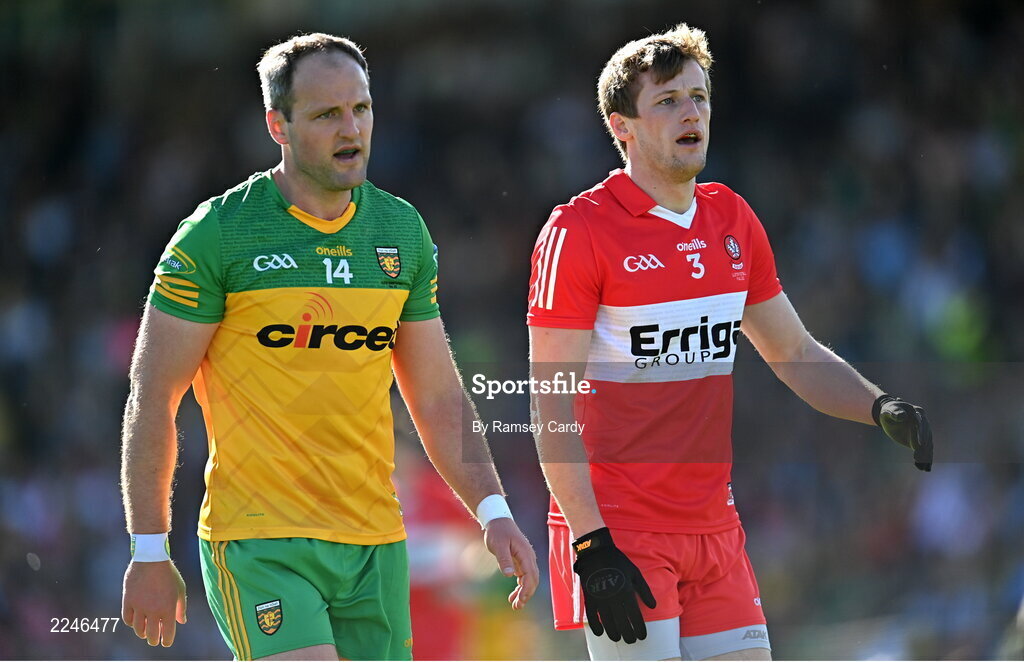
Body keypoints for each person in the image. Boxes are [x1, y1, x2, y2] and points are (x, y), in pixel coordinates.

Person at [119, 32, 538, 661]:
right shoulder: (216, 236)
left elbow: (436, 392)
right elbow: (153, 396)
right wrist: (149, 550)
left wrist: (493, 508)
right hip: (260, 543)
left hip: (375, 542)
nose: (352, 129)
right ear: (277, 125)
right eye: (325, 114)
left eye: (361, 109)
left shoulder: (401, 231)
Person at [527, 24, 932, 661]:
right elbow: (550, 403)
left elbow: (794, 353)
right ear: (621, 126)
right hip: (621, 531)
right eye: (667, 101)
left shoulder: (732, 218)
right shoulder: (578, 230)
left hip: (716, 531)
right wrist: (590, 543)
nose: (692, 112)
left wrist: (878, 407)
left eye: (700, 96)